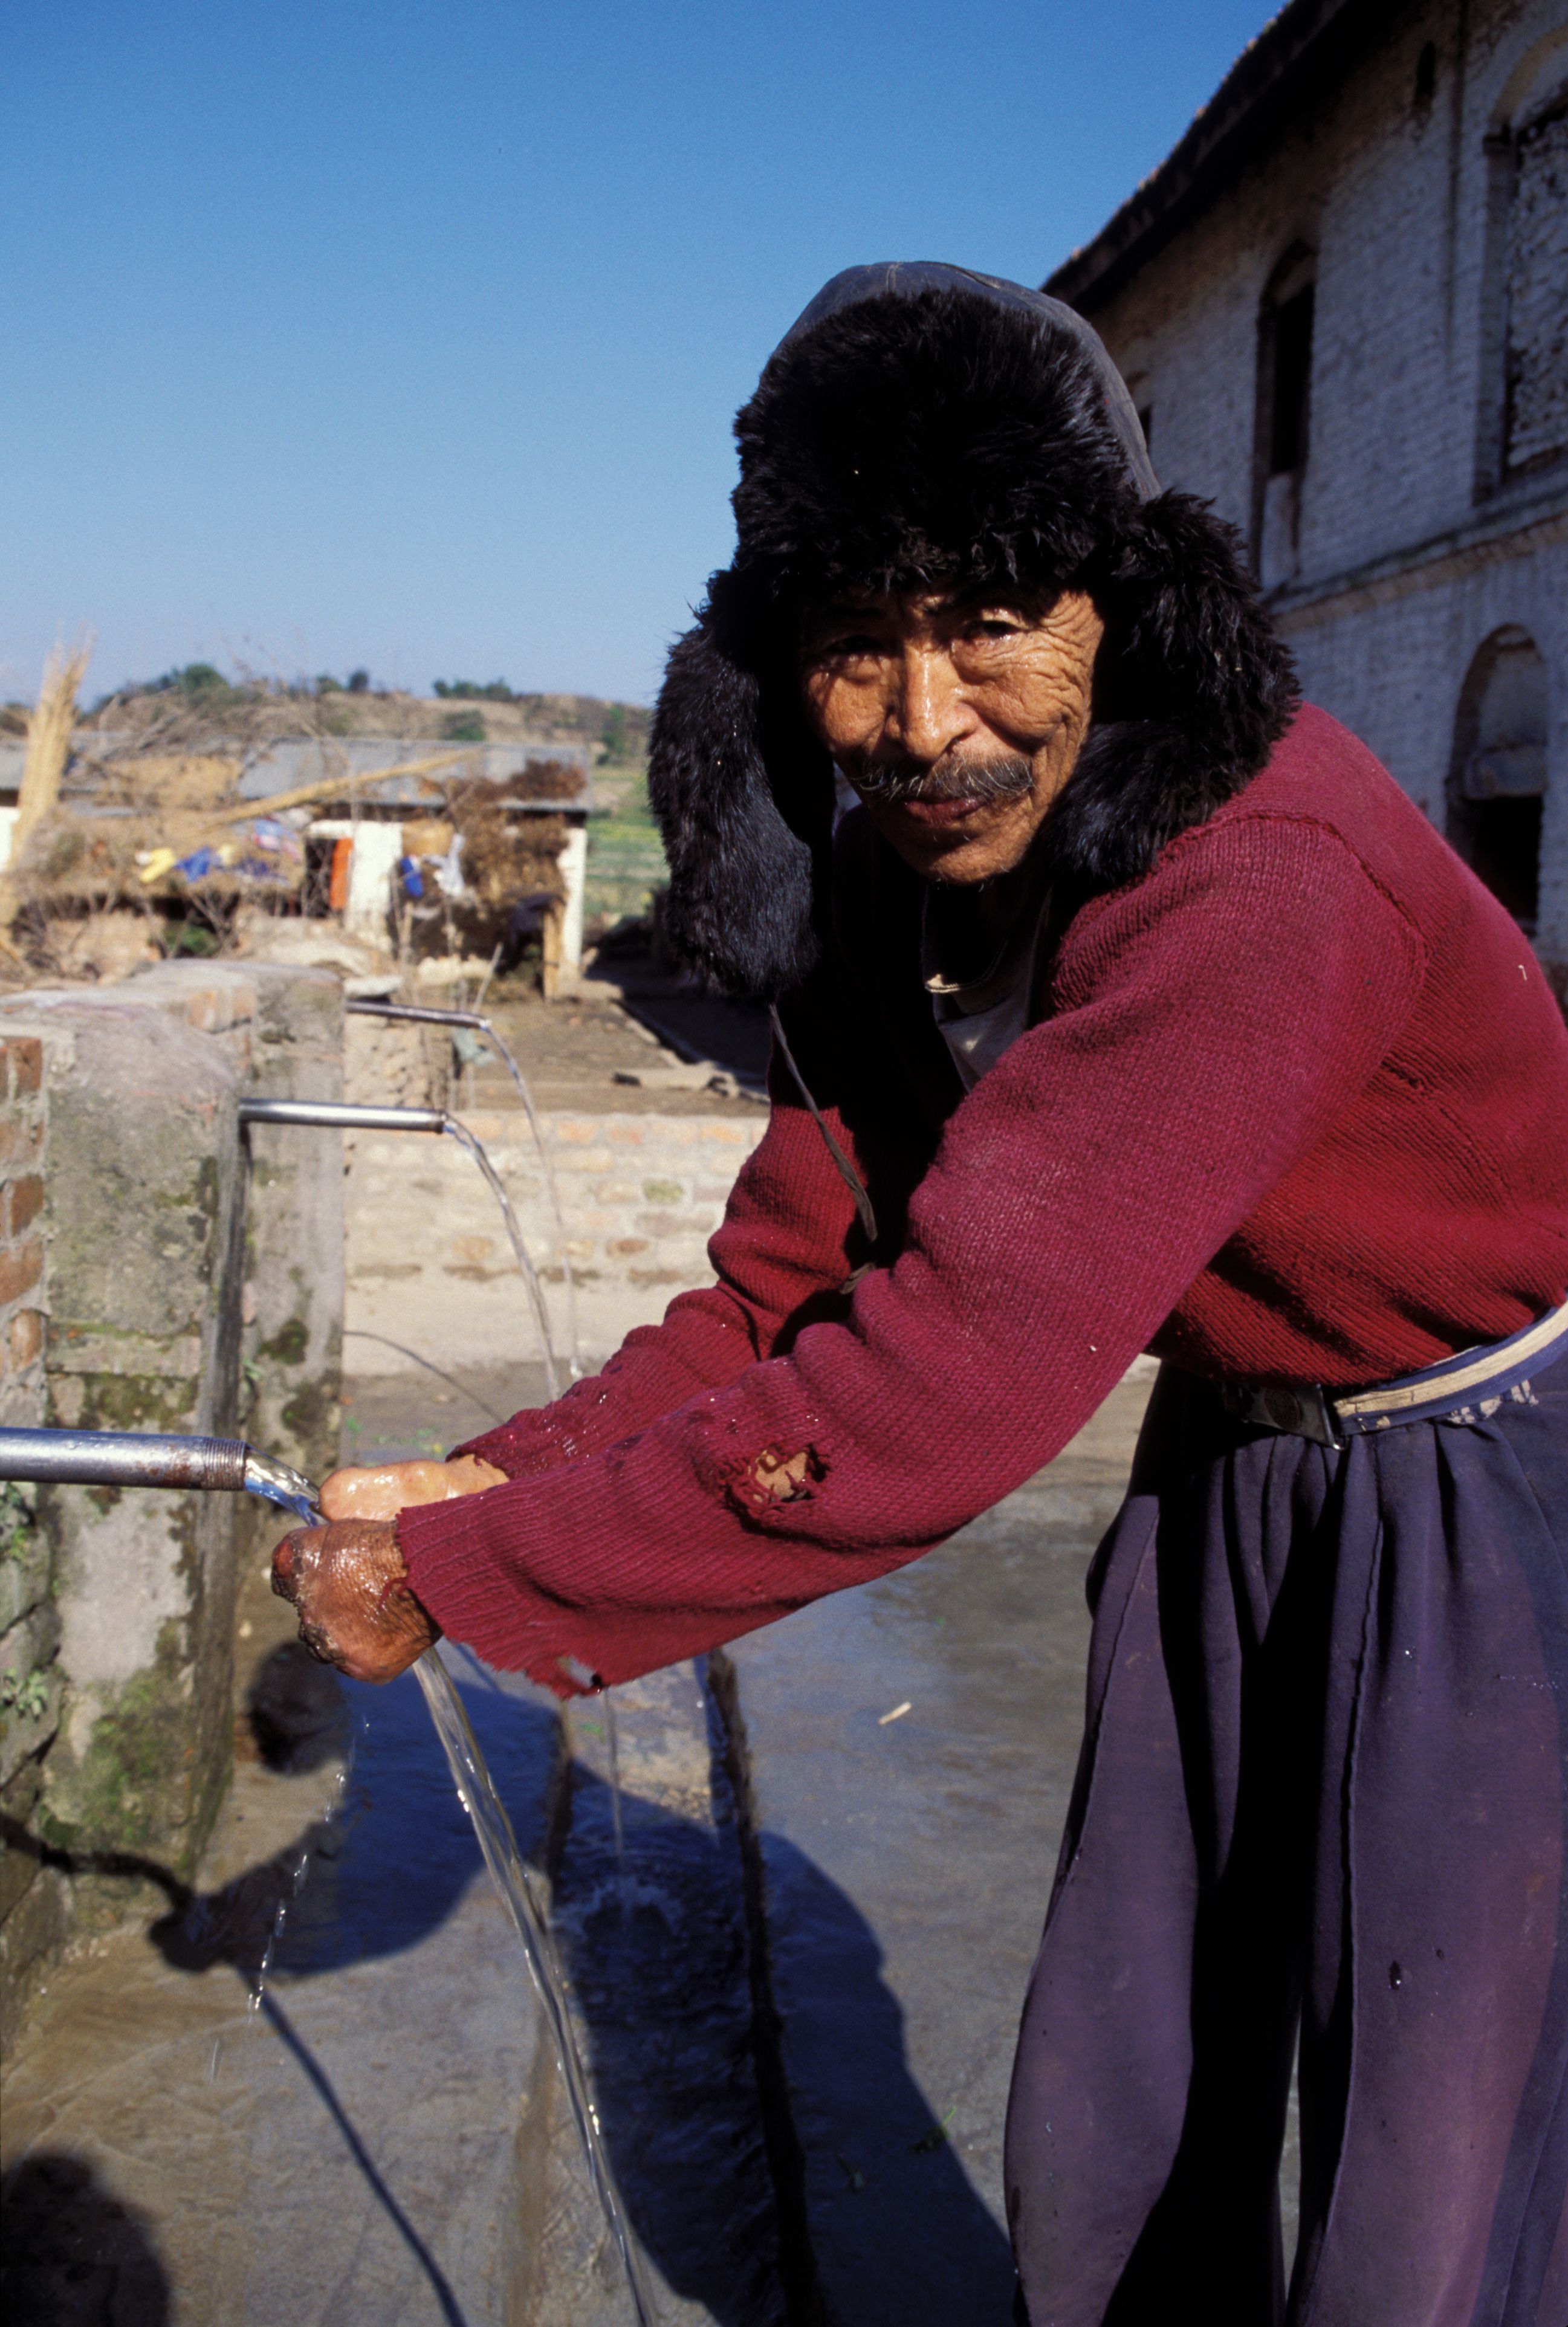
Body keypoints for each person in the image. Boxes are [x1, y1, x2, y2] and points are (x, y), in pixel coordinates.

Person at [274, 264, 1568, 2323]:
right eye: (852, 647)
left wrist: (491, 1571)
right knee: (1127, 2079)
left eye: (986, 619)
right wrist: (485, 1481)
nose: (924, 718)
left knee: (1438, 2142)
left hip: (1477, 1496)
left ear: (1116, 612)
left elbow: (931, 1390)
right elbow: (792, 1292)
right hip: (1230, 1468)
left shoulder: (1257, 876)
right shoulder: (900, 866)